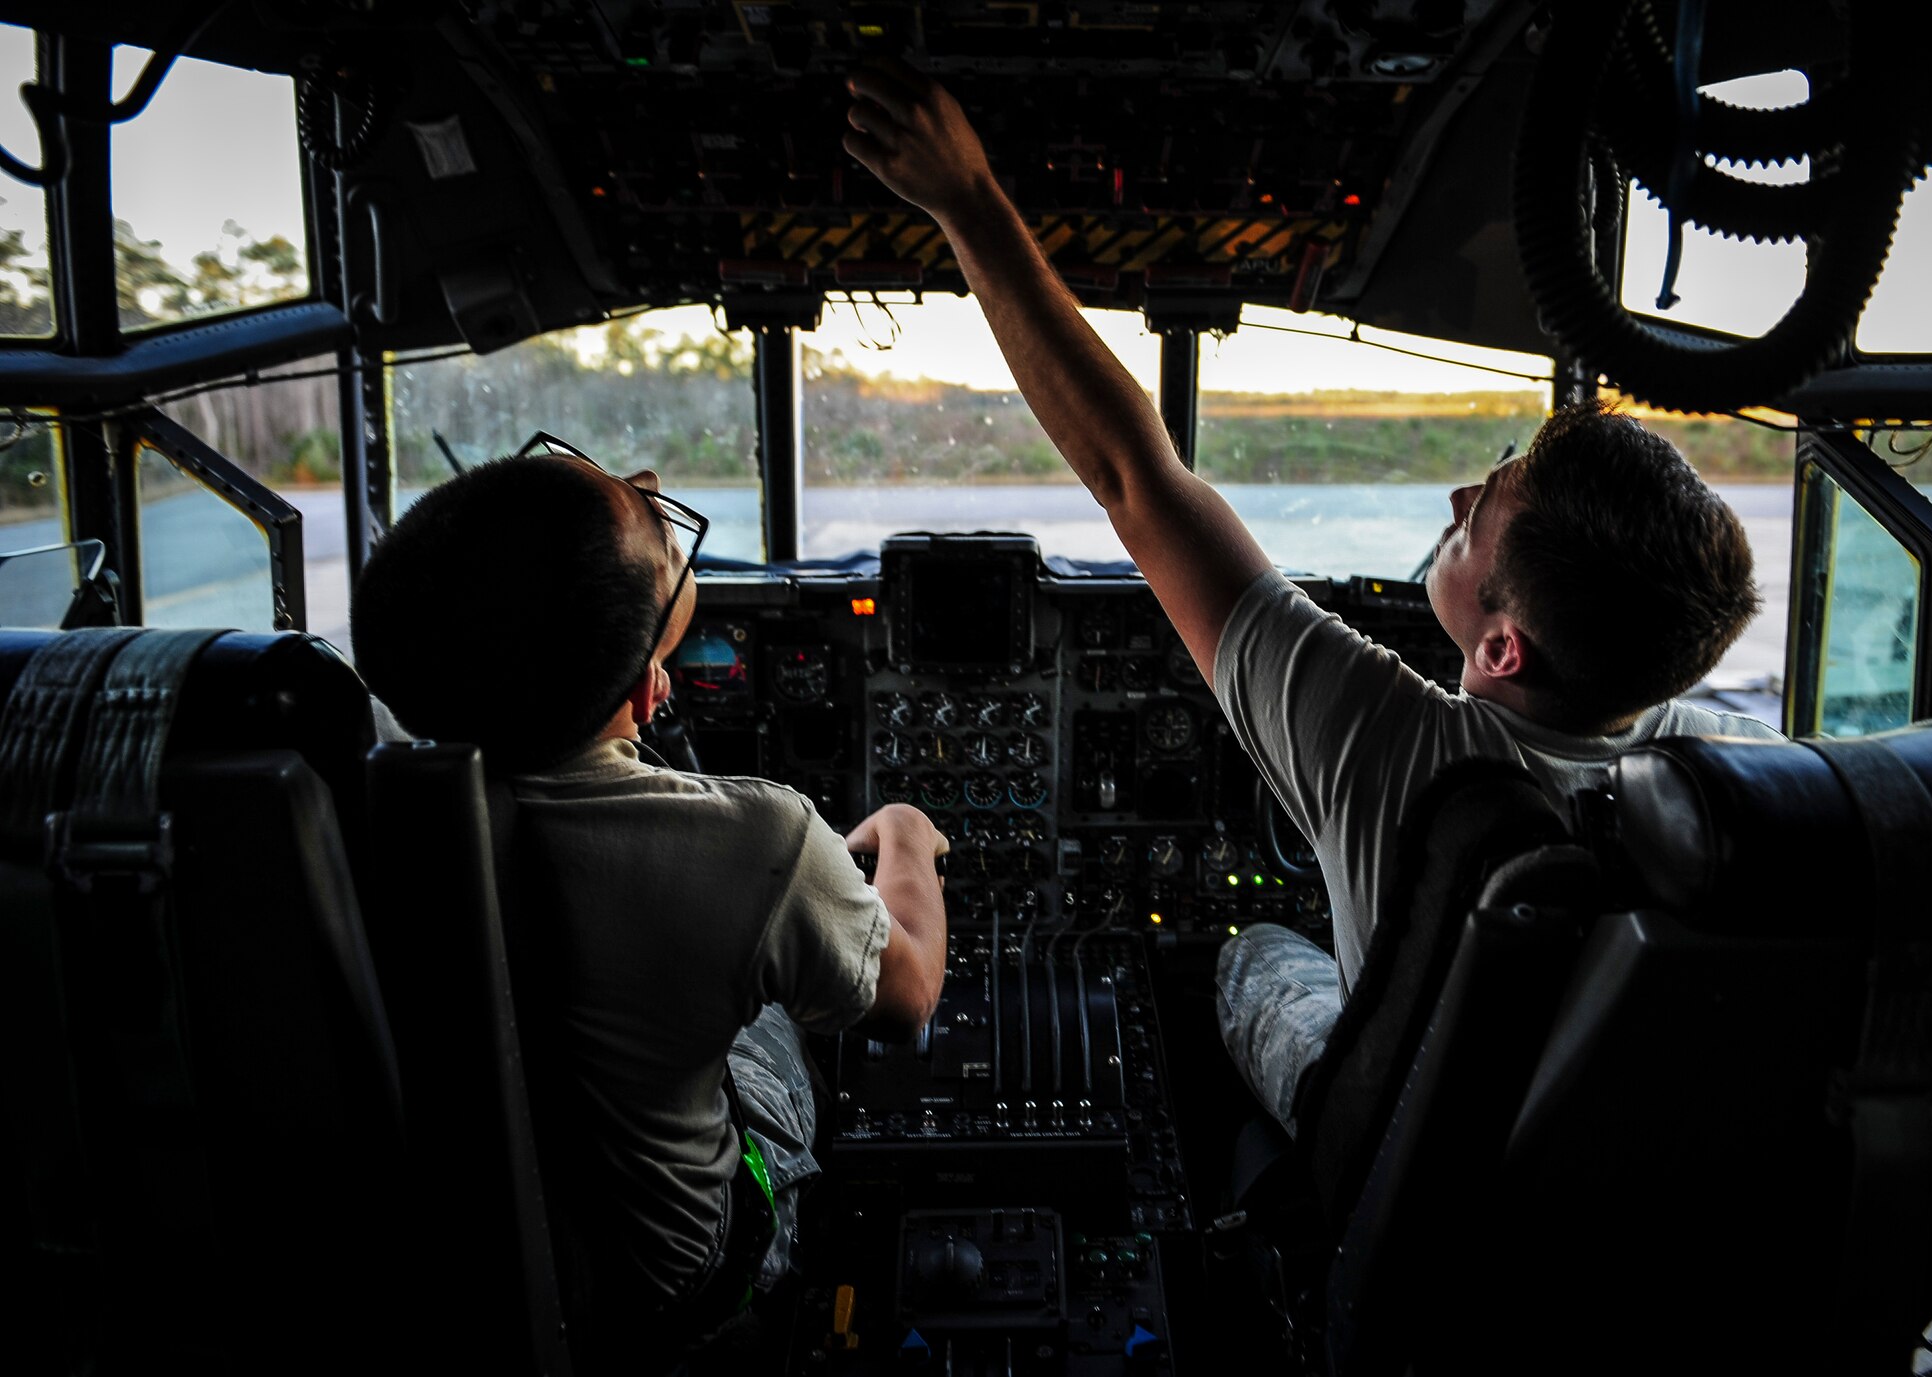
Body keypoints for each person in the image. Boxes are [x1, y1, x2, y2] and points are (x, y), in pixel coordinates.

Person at [840, 63, 1781, 1136]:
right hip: (1593, 1147)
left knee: (1251, 953)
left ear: (1504, 651)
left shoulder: (1389, 750)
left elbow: (1134, 480)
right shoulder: (1743, 770)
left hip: (1398, 1145)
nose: (1458, 493)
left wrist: (967, 198)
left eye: (1483, 517)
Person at [350, 441, 949, 1355]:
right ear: (644, 685)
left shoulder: (349, 810)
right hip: (681, 1282)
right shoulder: (761, 841)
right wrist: (905, 831)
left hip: (455, 1270)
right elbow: (908, 1002)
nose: (648, 490)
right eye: (657, 537)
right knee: (778, 1024)